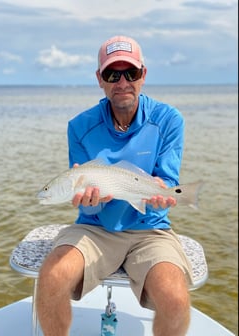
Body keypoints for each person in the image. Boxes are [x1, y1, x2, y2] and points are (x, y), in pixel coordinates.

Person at [36, 35, 193, 336]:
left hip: (150, 228)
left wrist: (164, 191)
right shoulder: (79, 127)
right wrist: (90, 201)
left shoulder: (168, 119)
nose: (122, 82)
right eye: (112, 74)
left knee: (175, 297)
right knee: (52, 277)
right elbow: (86, 202)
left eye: (130, 73)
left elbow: (169, 181)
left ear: (143, 75)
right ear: (100, 79)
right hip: (94, 229)